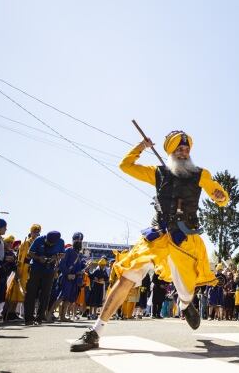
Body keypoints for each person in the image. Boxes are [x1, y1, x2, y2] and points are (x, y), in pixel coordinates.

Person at [71, 130, 228, 351]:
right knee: (126, 276)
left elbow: (218, 194)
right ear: (171, 152)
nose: (184, 152)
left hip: (184, 239)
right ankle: (95, 331)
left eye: (186, 149)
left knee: (186, 290)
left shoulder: (200, 174)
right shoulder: (157, 173)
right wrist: (140, 147)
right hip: (157, 236)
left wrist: (221, 197)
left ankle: (185, 303)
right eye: (179, 149)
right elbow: (126, 166)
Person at [24, 231, 65, 325]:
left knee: (45, 295)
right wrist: (38, 258)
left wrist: (55, 257)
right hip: (36, 269)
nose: (49, 244)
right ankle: (28, 319)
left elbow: (63, 254)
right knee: (31, 293)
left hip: (49, 270)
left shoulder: (61, 242)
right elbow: (29, 252)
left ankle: (39, 318)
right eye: (48, 242)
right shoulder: (39, 239)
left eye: (51, 244)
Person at [6, 224, 41, 319]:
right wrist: (18, 271)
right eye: (35, 232)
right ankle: (10, 312)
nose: (37, 234)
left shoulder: (38, 244)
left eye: (38, 232)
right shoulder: (26, 243)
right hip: (24, 268)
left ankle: (24, 313)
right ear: (31, 232)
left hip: (32, 270)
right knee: (17, 290)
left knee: (28, 292)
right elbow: (20, 258)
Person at [56, 232, 87, 322]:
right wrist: (67, 274)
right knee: (61, 297)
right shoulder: (68, 250)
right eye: (77, 239)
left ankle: (63, 317)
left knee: (69, 298)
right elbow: (62, 264)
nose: (79, 241)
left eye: (81, 240)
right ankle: (49, 314)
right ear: (73, 240)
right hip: (66, 277)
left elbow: (79, 266)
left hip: (74, 279)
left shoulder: (79, 253)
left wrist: (83, 269)